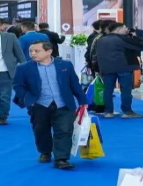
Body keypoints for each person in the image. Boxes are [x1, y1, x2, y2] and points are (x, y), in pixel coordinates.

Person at [13, 41, 88, 170]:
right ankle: (45, 152)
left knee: (64, 130)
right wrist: (28, 99)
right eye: (31, 51)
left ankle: (61, 159)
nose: (32, 54)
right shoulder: (23, 68)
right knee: (41, 130)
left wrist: (83, 100)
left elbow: (74, 84)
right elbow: (17, 86)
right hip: (39, 105)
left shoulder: (65, 65)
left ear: (49, 51)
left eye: (37, 51)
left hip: (63, 104)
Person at [94, 22, 143, 119]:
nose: (126, 30)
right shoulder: (123, 38)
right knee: (126, 90)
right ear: (118, 29)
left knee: (107, 91)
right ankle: (127, 112)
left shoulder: (100, 40)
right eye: (125, 28)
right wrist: (136, 37)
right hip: (124, 67)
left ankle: (108, 112)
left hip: (106, 68)